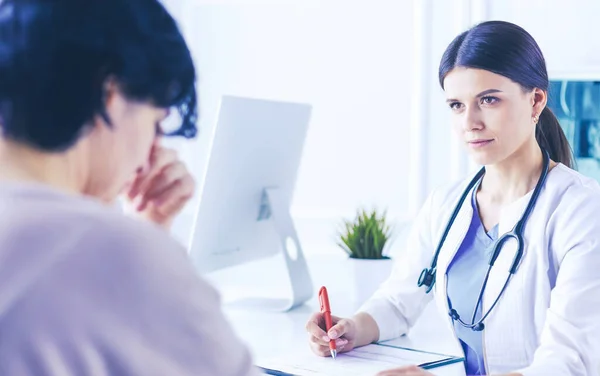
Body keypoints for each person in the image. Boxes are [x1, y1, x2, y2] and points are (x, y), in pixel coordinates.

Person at [306, 20, 600, 376]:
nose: (469, 122)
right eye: (457, 105)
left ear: (536, 100)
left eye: (488, 100)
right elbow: (398, 302)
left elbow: (568, 362)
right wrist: (351, 328)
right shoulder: (447, 204)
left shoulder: (582, 209)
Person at [0, 0, 260, 375]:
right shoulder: (108, 248)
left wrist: (145, 232)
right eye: (156, 123)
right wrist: (147, 249)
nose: (150, 155)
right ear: (110, 94)